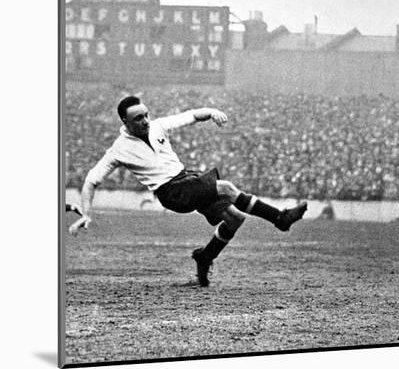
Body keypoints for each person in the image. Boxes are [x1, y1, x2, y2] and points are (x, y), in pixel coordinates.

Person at [69, 96, 308, 287]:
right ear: (125, 122)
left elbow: (191, 116)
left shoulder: (158, 126)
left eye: (146, 115)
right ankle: (280, 218)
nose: (145, 121)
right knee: (225, 187)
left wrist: (211, 112)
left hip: (187, 179)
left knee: (235, 218)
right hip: (172, 192)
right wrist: (87, 214)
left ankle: (205, 257)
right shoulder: (118, 150)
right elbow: (91, 180)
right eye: (138, 118)